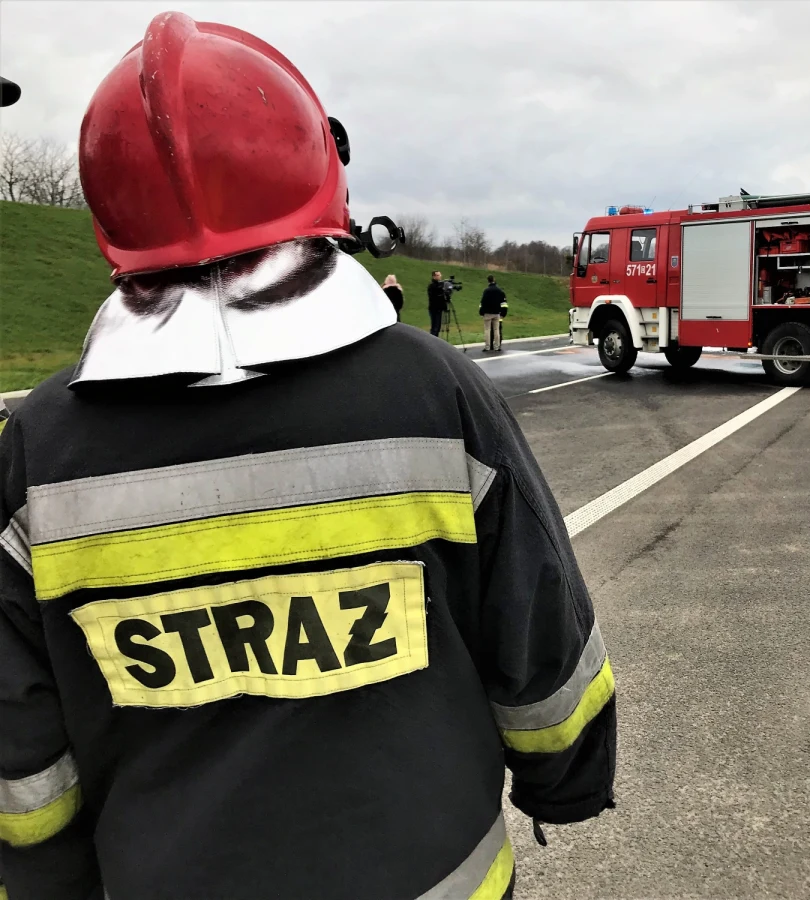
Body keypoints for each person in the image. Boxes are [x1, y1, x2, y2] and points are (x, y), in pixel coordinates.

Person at [0, 14, 615, 900]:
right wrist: (567, 782)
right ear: (319, 166)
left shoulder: (40, 444)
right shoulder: (432, 391)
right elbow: (538, 625)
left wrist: (52, 881)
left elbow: (20, 738)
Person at [479, 275, 508, 352]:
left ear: (488, 281)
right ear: (494, 280)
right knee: (496, 330)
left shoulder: (486, 291)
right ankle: (497, 346)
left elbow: (483, 302)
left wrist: (481, 312)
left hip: (488, 313)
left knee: (487, 330)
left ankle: (487, 346)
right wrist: (503, 313)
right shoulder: (499, 291)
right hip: (496, 313)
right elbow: (503, 303)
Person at [427, 270, 447, 337]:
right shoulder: (432, 286)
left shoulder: (440, 285)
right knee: (435, 327)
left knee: (438, 327)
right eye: (438, 275)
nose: (440, 276)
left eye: (440, 275)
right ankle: (432, 339)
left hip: (439, 309)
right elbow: (434, 297)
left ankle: (436, 338)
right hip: (434, 309)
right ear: (434, 276)